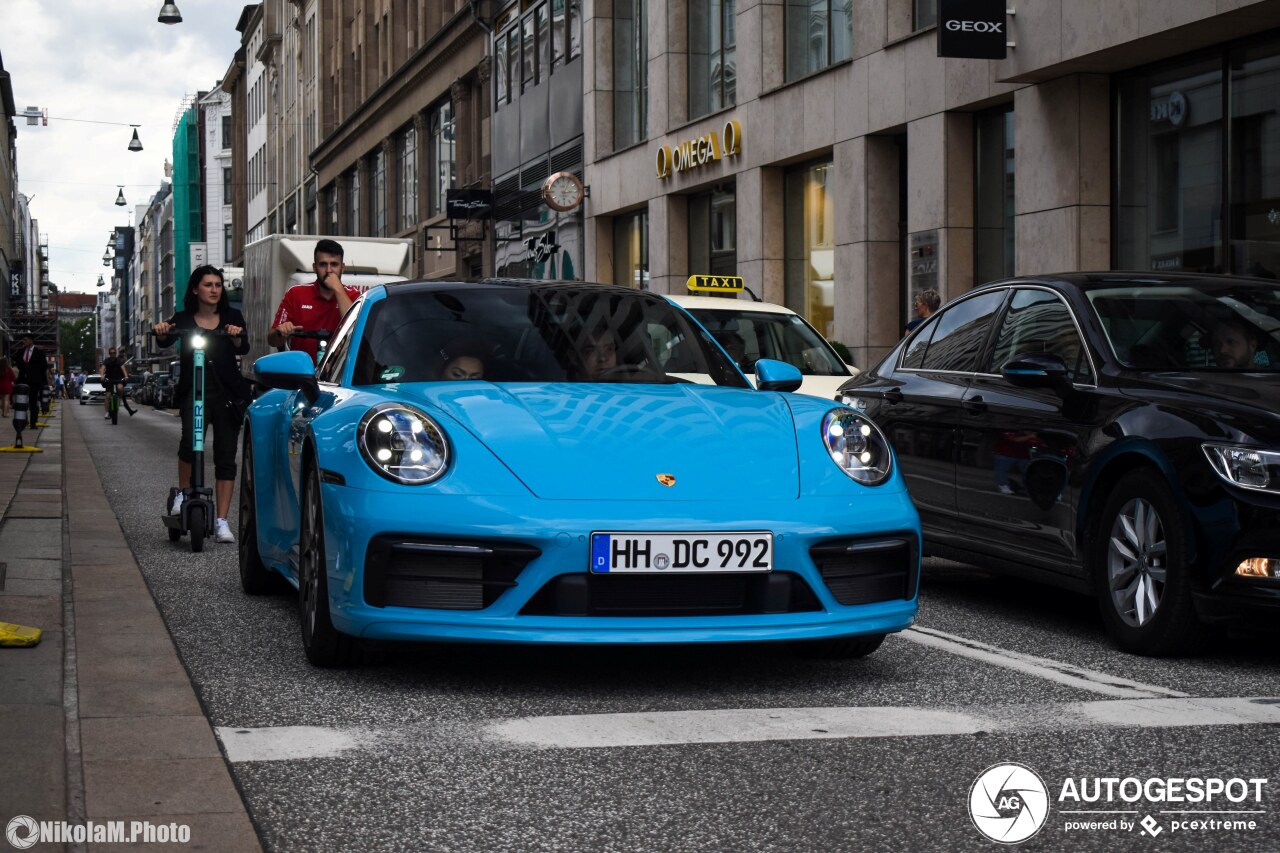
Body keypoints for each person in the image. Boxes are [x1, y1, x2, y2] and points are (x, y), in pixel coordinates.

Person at [153, 265, 252, 544]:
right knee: (189, 441)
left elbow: (242, 346)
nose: (214, 289)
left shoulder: (232, 315)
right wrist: (161, 330)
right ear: (196, 289)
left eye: (218, 285)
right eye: (208, 285)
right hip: (193, 391)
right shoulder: (184, 318)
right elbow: (165, 339)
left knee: (226, 455)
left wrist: (235, 334)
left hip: (225, 393)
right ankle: (183, 495)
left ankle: (221, 521)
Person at [268, 238, 362, 363]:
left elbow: (356, 329)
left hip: (338, 375)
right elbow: (272, 340)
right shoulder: (295, 293)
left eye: (334, 264)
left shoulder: (354, 295)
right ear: (314, 267)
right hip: (301, 373)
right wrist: (281, 332)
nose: (329, 270)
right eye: (323, 264)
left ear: (342, 267)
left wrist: (338, 289)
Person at [98, 346, 136, 418]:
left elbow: (123, 368)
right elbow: (102, 368)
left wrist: (126, 376)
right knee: (108, 396)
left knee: (120, 387)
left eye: (114, 353)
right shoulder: (106, 360)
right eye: (111, 353)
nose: (113, 354)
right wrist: (102, 376)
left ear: (116, 353)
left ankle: (119, 399)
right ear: (109, 353)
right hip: (109, 379)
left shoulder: (119, 361)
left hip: (118, 379)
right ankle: (106, 412)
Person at [14, 334, 49, 412]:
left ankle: (33, 421)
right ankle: (22, 420)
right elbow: (18, 363)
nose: (23, 342)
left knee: (33, 401)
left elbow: (44, 366)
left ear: (31, 340)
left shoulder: (39, 352)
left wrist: (36, 374)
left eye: (25, 340)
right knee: (21, 402)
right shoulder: (21, 351)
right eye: (23, 340)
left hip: (35, 381)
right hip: (23, 380)